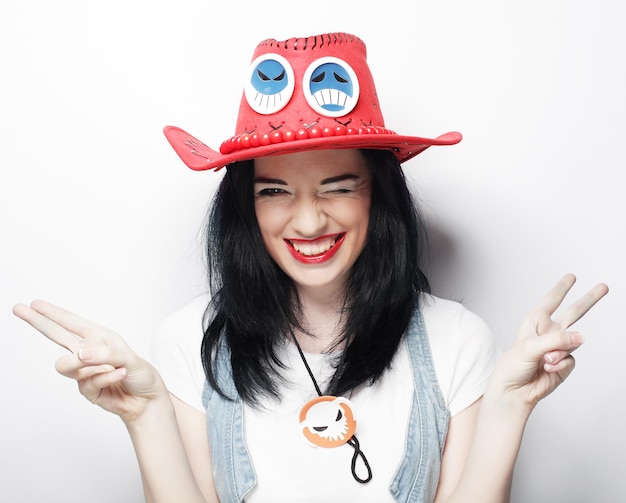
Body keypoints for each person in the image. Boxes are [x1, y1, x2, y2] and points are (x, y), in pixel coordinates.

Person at [13, 32, 608, 503]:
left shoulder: (457, 339)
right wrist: (145, 416)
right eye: (274, 192)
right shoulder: (187, 340)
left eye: (337, 187)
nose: (307, 222)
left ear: (378, 195)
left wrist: (509, 407)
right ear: (245, 208)